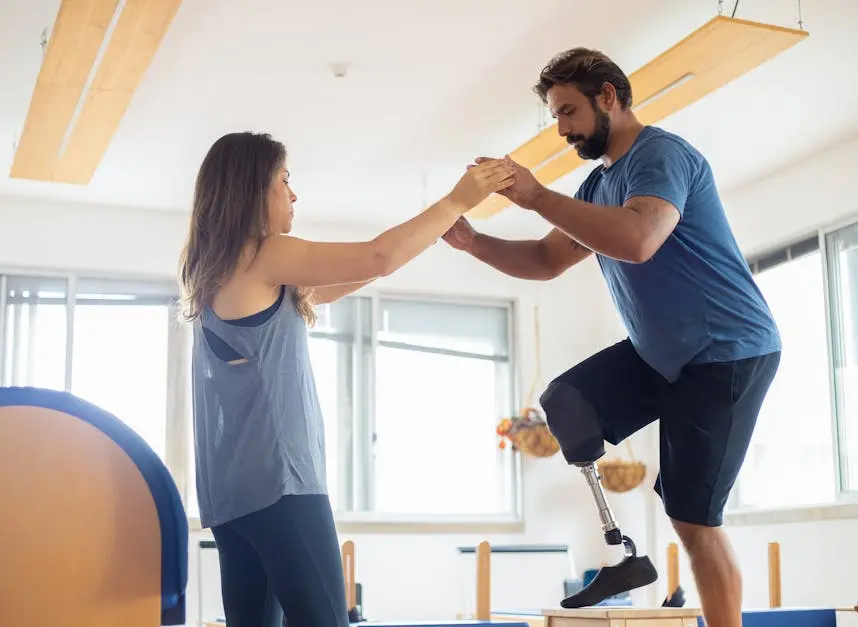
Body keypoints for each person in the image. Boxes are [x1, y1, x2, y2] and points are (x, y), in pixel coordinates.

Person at [442, 48, 781, 627]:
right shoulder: (598, 185)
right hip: (664, 351)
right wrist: (474, 243)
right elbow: (548, 259)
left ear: (608, 97)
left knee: (695, 518)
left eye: (568, 111)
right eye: (555, 116)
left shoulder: (661, 156)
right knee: (567, 400)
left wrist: (538, 195)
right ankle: (622, 551)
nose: (563, 129)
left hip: (726, 349)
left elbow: (640, 239)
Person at [177, 131, 514, 627]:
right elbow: (377, 256)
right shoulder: (267, 254)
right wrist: (457, 200)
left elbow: (362, 272)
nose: (293, 194)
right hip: (283, 486)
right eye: (284, 180)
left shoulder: (215, 270)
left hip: (231, 499)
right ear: (252, 189)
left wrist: (428, 232)